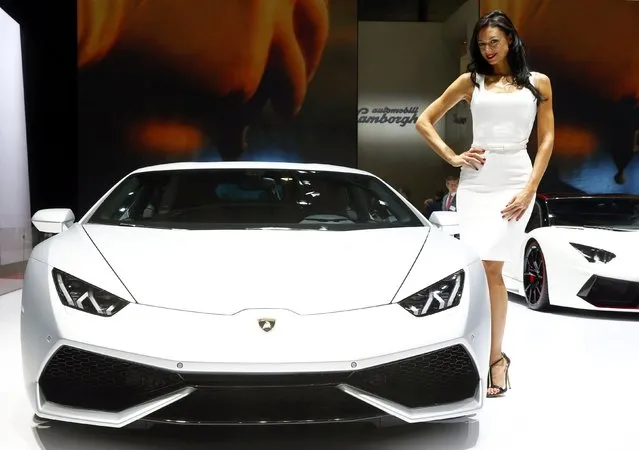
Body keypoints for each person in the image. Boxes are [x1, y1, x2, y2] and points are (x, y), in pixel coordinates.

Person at [415, 10, 554, 397]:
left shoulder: (538, 84)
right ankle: (481, 356)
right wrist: (453, 157)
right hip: (477, 183)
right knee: (480, 269)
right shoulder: (470, 81)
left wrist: (529, 190)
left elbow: (545, 141)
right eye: (481, 44)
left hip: (515, 180)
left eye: (494, 42)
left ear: (510, 39)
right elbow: (424, 120)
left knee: (494, 268)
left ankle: (496, 359)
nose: (488, 50)